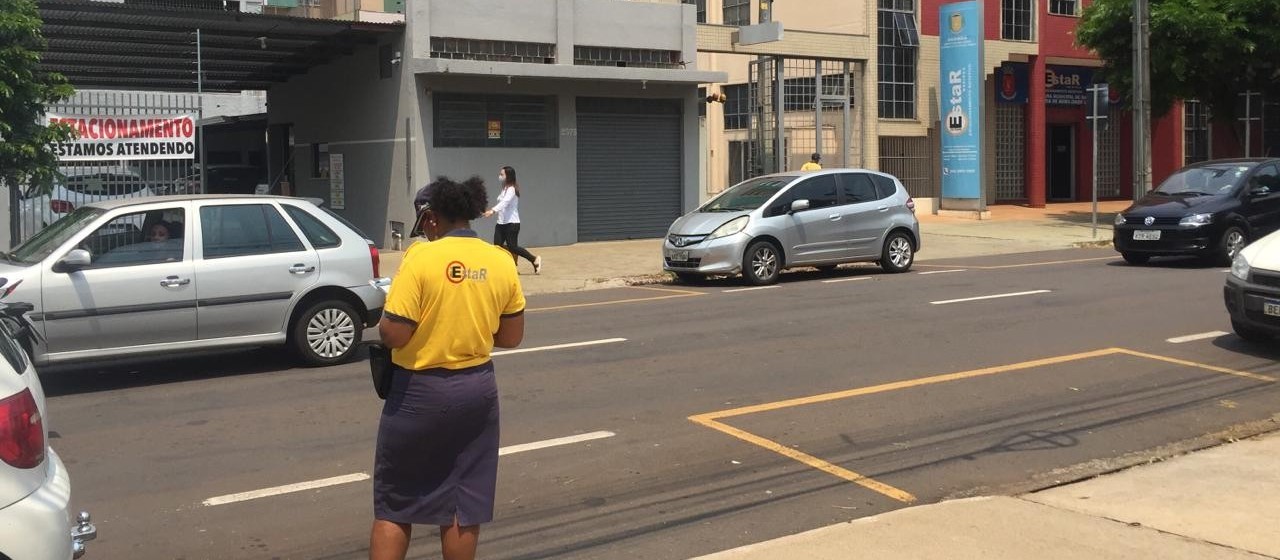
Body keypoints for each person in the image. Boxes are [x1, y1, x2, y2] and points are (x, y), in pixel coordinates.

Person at [370, 176, 526, 560]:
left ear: (433, 219)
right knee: (462, 501)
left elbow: (394, 333)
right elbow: (511, 336)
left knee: (397, 502)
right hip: (476, 390)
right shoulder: (501, 260)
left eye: (424, 222)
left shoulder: (421, 257)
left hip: (419, 392)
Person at [483, 166, 543, 274]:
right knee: (497, 246)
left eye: (502, 174)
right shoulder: (505, 189)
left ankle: (534, 260)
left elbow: (504, 203)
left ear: (508, 176)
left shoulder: (511, 189)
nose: (500, 176)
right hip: (501, 223)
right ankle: (510, 266)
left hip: (512, 223)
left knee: (513, 247)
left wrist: (492, 211)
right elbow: (502, 203)